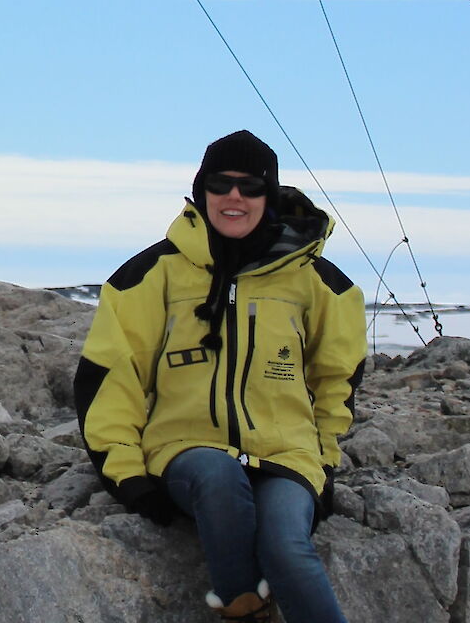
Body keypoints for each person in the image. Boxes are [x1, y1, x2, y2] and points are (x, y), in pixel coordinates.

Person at [74, 130, 364, 622]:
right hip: (185, 451)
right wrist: (126, 475)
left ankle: (242, 600)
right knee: (218, 476)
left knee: (287, 546)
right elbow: (111, 376)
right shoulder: (151, 273)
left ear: (268, 195)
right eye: (220, 183)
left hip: (286, 454)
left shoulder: (319, 282)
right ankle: (243, 602)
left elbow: (338, 378)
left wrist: (325, 462)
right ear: (200, 190)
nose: (234, 196)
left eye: (250, 186)